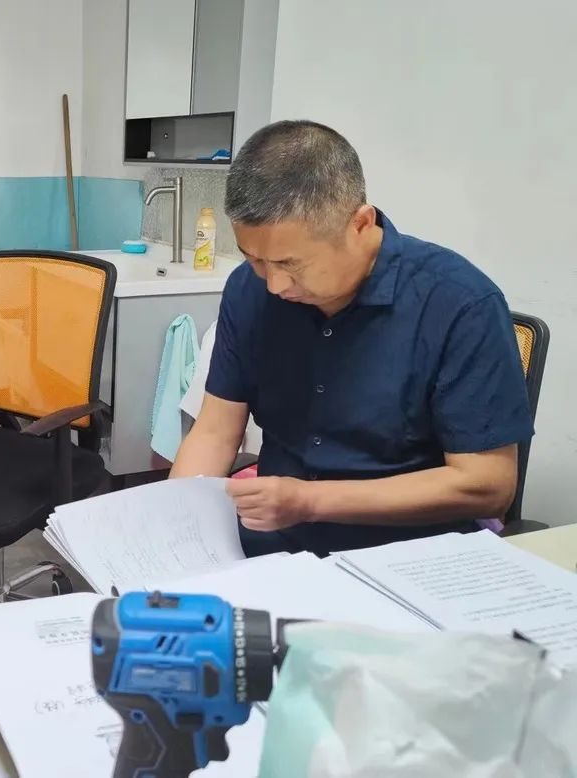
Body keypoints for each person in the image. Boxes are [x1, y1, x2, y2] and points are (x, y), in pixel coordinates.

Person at [172, 121, 533, 557]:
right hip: (277, 546)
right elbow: (214, 432)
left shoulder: (460, 304)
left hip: (408, 552)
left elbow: (488, 486)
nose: (274, 284)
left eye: (291, 264)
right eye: (255, 260)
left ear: (360, 224)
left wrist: (310, 502)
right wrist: (174, 525)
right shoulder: (249, 291)